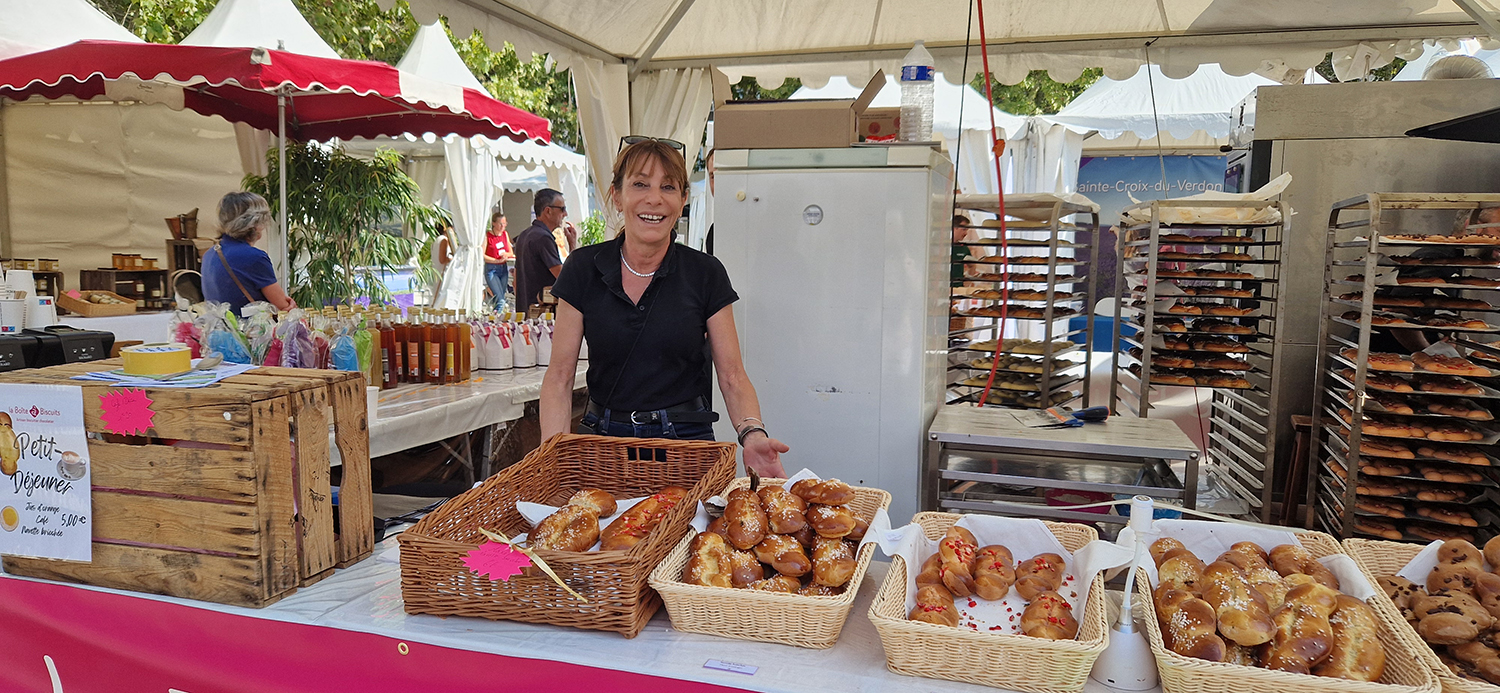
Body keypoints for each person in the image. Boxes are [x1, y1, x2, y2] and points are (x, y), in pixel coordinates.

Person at [540, 139, 789, 477]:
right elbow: (558, 378)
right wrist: (553, 456)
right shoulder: (584, 268)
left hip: (687, 440)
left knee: (692, 530)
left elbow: (731, 375)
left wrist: (752, 433)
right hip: (605, 440)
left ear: (683, 199)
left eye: (668, 186)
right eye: (640, 184)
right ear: (617, 195)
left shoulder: (705, 273)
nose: (654, 198)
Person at [201, 191, 296, 316]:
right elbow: (284, 307)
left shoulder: (209, 254)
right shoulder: (254, 257)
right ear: (255, 223)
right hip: (249, 332)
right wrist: (290, 306)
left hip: (217, 331)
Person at [514, 188, 578, 315]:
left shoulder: (524, 235)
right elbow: (565, 277)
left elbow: (515, 281)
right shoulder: (543, 238)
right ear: (548, 211)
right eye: (562, 209)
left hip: (525, 314)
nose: (565, 214)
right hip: (543, 317)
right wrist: (572, 247)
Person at [483, 208, 514, 313]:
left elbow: (511, 252)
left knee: (500, 297)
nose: (502, 226)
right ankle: (497, 319)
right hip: (492, 268)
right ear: (494, 223)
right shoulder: (488, 236)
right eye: (500, 224)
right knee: (501, 300)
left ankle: (494, 317)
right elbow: (482, 255)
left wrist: (506, 255)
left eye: (504, 224)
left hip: (503, 267)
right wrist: (495, 260)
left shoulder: (505, 234)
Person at [430, 224, 454, 298]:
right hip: (441, 272)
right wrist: (452, 259)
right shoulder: (443, 240)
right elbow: (442, 259)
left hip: (436, 270)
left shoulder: (436, 239)